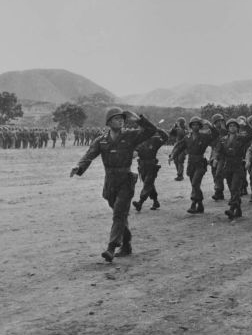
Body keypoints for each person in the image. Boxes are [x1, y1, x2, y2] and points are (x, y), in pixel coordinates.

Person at [70, 108, 157, 261]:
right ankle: (127, 243)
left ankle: (111, 248)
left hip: (125, 179)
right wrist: (79, 167)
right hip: (110, 181)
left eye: (122, 119)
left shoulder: (130, 136)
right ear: (109, 122)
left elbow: (151, 130)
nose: (121, 121)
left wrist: (138, 119)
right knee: (120, 214)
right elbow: (89, 155)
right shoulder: (101, 140)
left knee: (118, 213)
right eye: (116, 119)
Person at [168, 116, 219, 214]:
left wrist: (210, 126)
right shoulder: (187, 137)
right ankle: (200, 205)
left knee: (195, 183)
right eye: (193, 125)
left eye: (197, 125)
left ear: (200, 126)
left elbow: (216, 135)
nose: (195, 126)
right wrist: (173, 155)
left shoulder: (204, 136)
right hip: (191, 163)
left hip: (200, 163)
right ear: (191, 126)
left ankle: (193, 203)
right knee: (194, 185)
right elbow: (179, 147)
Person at [214, 118, 252, 220]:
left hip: (238, 165)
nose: (232, 128)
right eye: (230, 126)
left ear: (237, 128)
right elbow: (218, 150)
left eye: (234, 126)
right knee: (231, 188)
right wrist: (215, 158)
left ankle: (232, 208)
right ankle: (238, 209)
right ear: (228, 128)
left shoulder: (241, 138)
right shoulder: (223, 139)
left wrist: (246, 124)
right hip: (227, 165)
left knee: (234, 187)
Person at [132, 126, 169, 212]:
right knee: (149, 185)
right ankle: (155, 201)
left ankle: (140, 203)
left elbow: (166, 137)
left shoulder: (155, 140)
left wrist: (158, 129)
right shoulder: (138, 141)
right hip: (142, 166)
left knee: (148, 184)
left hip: (151, 166)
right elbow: (135, 152)